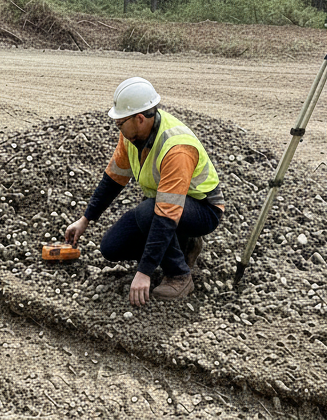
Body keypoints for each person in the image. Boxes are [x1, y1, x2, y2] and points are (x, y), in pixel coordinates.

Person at [64, 77, 225, 307]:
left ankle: (180, 276)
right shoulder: (131, 136)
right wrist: (85, 219)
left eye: (120, 123)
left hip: (202, 210)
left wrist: (144, 272)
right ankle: (182, 245)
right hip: (162, 206)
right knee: (111, 247)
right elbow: (113, 180)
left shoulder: (176, 147)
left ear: (139, 118)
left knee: (147, 212)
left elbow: (166, 213)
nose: (117, 127)